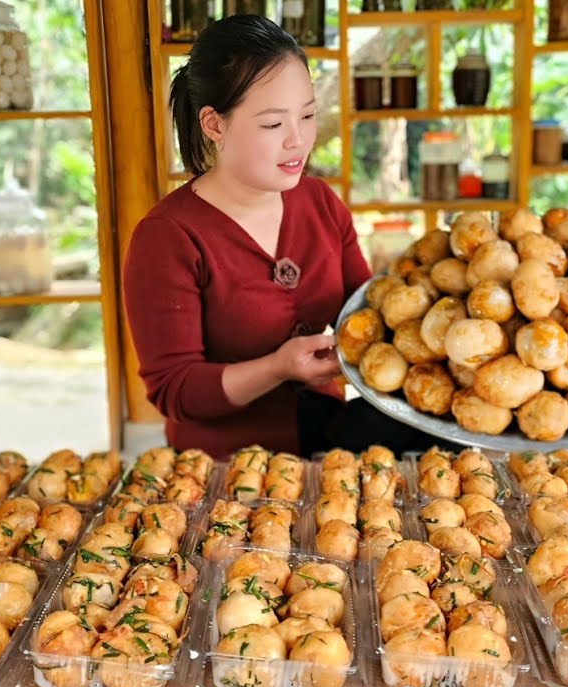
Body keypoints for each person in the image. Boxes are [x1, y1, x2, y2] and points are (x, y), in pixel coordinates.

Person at [123, 15, 449, 459]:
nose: (299, 141)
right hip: (224, 468)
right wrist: (277, 368)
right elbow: (175, 390)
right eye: (274, 125)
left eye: (309, 115)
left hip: (326, 443)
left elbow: (374, 314)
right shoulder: (167, 238)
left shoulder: (319, 203)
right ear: (215, 125)